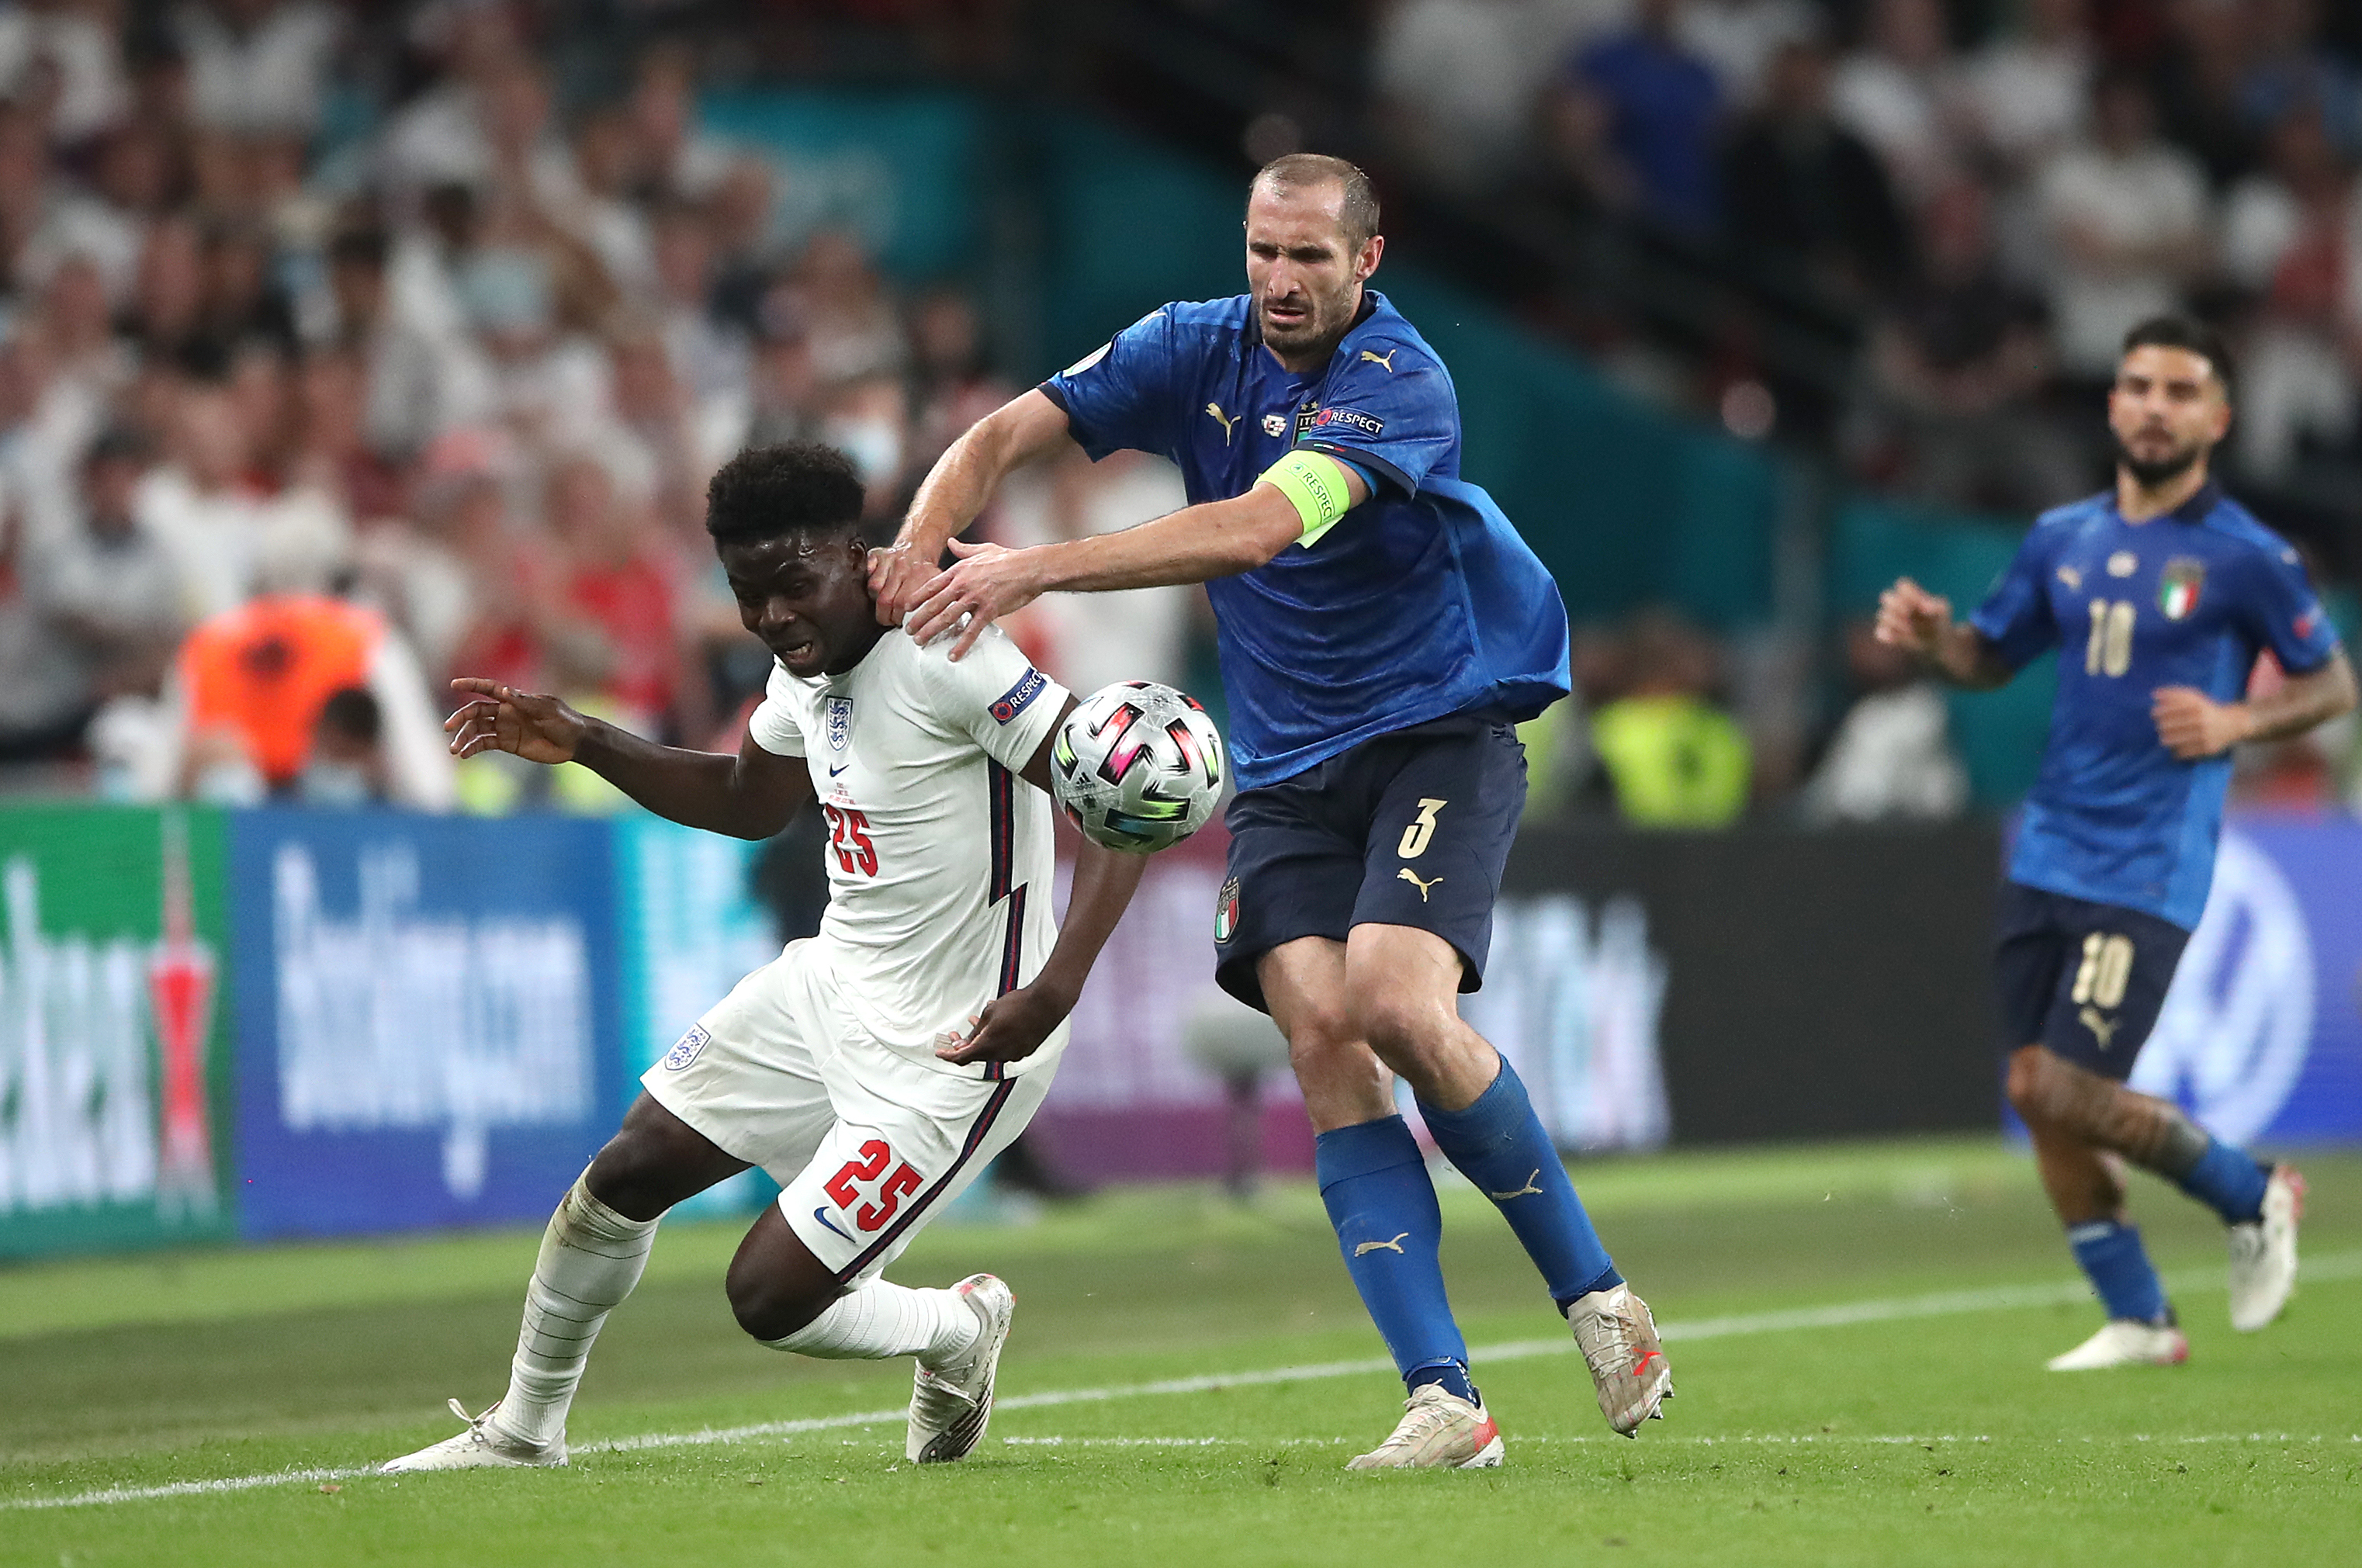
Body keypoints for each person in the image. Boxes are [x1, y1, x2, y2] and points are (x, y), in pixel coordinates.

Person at [871, 154, 1671, 1468]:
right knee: (1319, 1037)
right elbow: (1005, 433)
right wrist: (918, 543)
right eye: (1262, 251)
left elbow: (1252, 529)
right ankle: (1444, 1400)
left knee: (1401, 1005)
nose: (1280, 281)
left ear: (1367, 261)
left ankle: (1597, 1297)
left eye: (1309, 257)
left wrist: (1027, 570)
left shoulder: (1399, 383)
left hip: (1434, 734)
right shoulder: (1193, 347)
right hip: (1290, 768)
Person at [382, 442, 1147, 1472]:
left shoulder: (950, 649)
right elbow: (752, 800)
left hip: (955, 1043)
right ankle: (524, 1428)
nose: (774, 618)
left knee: (771, 1297)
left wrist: (1054, 989)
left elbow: (1118, 800)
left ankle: (955, 1331)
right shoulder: (809, 671)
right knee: (626, 1169)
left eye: (795, 586)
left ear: (856, 552)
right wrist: (588, 739)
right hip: (829, 985)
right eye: (749, 596)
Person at [1875, 317, 2357, 1370]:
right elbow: (1987, 660)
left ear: (2217, 419)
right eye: (2138, 384)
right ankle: (2140, 1314)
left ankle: (2253, 1189)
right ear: (2112, 403)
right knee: (2034, 1090)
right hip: (2045, 848)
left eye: (2181, 391)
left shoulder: (2249, 558)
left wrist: (2237, 723)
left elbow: (2334, 682)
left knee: (2061, 1088)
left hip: (2146, 862)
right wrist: (1931, 641)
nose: (2153, 404)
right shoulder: (2063, 539)